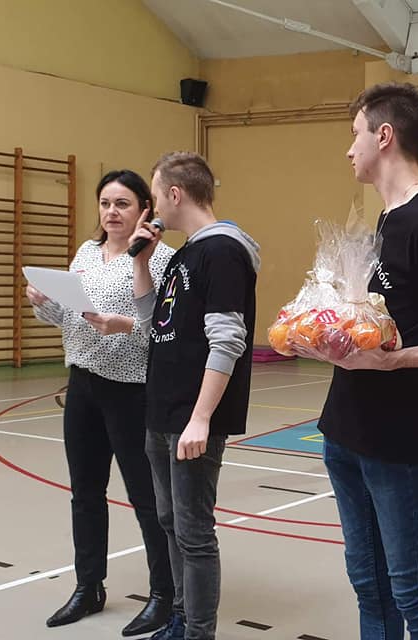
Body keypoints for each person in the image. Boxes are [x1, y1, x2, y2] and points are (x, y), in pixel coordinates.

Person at [316, 81, 418, 640]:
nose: (349, 150)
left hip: (401, 437)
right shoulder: (386, 220)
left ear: (384, 136)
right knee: (368, 581)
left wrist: (396, 361)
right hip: (349, 426)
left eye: (355, 134)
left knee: (412, 587)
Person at [27, 169, 175, 636]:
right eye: (106, 203)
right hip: (83, 386)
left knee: (146, 498)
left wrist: (122, 324)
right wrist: (42, 301)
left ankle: (164, 595)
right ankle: (88, 586)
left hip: (132, 391)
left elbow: (165, 330)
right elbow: (68, 316)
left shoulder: (161, 258)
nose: (112, 212)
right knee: (86, 493)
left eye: (122, 203)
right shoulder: (87, 253)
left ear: (144, 209)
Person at [130, 152, 260, 640]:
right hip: (163, 411)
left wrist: (201, 417)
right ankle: (181, 618)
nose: (152, 207)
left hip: (191, 416)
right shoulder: (184, 254)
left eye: (154, 195)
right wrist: (142, 262)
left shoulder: (222, 251)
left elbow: (227, 339)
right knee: (170, 521)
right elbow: (152, 321)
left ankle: (197, 632)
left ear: (174, 194)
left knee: (194, 532)